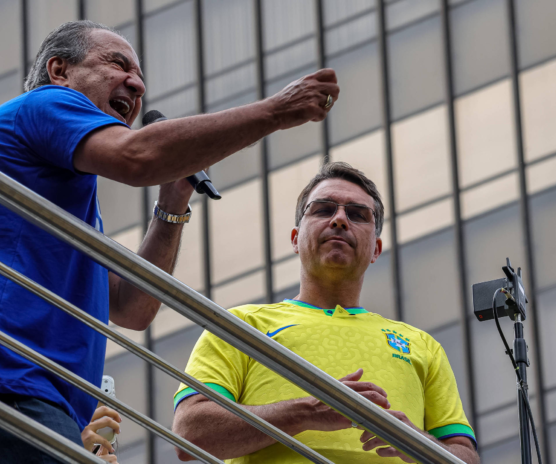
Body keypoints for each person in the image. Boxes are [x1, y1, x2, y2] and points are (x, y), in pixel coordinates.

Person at [0, 19, 340, 464]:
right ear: (60, 70)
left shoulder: (59, 202)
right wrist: (276, 111)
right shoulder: (44, 104)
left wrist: (172, 203)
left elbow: (131, 307)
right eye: (117, 64)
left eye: (139, 78)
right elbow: (137, 156)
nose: (136, 86)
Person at [172, 162, 479, 464]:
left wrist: (414, 442)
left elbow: (465, 457)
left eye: (358, 215)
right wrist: (308, 412)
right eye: (323, 210)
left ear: (376, 249)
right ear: (295, 239)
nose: (340, 220)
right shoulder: (239, 325)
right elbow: (190, 432)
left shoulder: (422, 345)